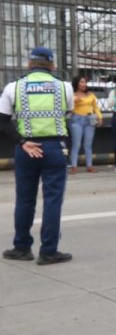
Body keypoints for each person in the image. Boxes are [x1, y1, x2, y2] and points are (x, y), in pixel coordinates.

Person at [0, 46, 73, 265]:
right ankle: (49, 251)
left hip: (26, 148)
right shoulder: (65, 87)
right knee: (52, 200)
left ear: (29, 64)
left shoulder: (13, 87)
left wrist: (22, 141)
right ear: (52, 65)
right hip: (54, 148)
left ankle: (22, 247)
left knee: (24, 199)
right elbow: (67, 114)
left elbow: (2, 121)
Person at [66, 75, 100, 174]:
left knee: (88, 144)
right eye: (81, 82)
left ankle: (89, 166)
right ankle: (74, 166)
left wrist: (100, 116)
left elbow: (95, 107)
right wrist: (73, 101)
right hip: (77, 119)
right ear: (77, 83)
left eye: (85, 82)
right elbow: (69, 109)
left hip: (90, 119)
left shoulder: (90, 94)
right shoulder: (72, 95)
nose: (84, 84)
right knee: (76, 144)